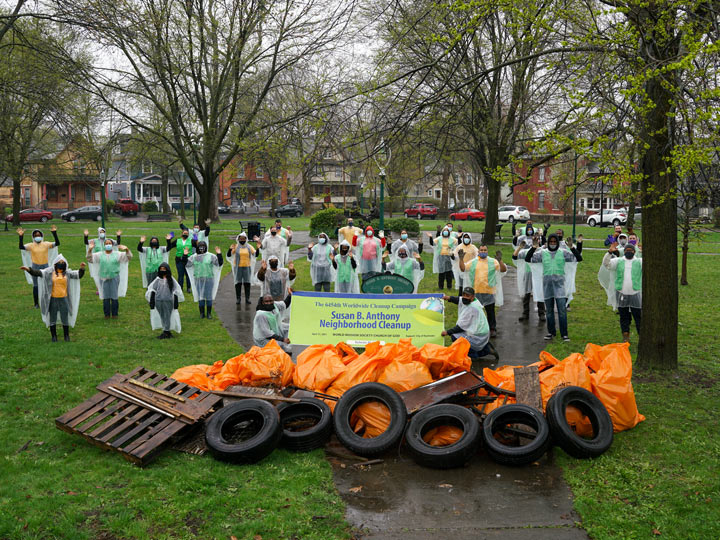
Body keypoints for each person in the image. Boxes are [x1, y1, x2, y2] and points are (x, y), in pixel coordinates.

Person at [525, 234, 582, 341]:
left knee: (562, 310)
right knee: (549, 311)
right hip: (547, 286)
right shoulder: (543, 253)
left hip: (560, 286)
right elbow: (528, 259)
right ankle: (551, 332)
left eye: (554, 242)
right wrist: (533, 247)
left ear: (557, 242)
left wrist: (572, 247)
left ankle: (564, 334)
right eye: (550, 242)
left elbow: (578, 258)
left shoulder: (563, 253)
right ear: (547, 243)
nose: (552, 244)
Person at [20, 254, 85, 342]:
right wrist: (29, 269)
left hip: (64, 298)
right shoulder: (49, 272)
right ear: (55, 264)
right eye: (59, 262)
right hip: (52, 299)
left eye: (63, 262)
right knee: (52, 317)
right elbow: (38, 273)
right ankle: (53, 336)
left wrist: (82, 269)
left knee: (64, 317)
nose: (61, 264)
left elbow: (78, 275)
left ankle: (66, 336)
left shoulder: (67, 273)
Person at [458, 244, 507, 338]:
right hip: (476, 292)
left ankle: (492, 329)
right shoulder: (473, 262)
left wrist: (500, 260)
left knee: (490, 312)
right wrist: (461, 259)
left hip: (489, 291)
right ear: (478, 251)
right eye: (481, 250)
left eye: (485, 250)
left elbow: (503, 270)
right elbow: (463, 269)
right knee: (476, 313)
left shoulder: (493, 262)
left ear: (487, 251)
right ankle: (476, 329)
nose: (483, 252)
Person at [441, 288, 499, 360]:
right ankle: (487, 349)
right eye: (464, 295)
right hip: (481, 331)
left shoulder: (472, 308)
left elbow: (460, 327)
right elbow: (459, 300)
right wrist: (448, 298)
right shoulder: (474, 301)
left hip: (478, 334)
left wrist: (447, 332)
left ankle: (472, 356)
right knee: (461, 336)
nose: (465, 297)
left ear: (472, 297)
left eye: (467, 295)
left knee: (455, 337)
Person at [601, 242, 642, 342]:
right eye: (627, 250)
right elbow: (606, 264)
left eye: (631, 251)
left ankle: (642, 337)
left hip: (635, 293)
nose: (629, 252)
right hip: (621, 293)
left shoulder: (639, 261)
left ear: (634, 252)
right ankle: (625, 336)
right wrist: (609, 252)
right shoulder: (618, 261)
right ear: (624, 252)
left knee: (639, 317)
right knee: (624, 317)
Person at [87, 239, 133, 318]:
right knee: (106, 296)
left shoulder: (117, 254)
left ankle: (115, 314)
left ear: (112, 245)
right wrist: (90, 249)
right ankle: (107, 314)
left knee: (114, 296)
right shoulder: (99, 255)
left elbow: (128, 258)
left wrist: (127, 249)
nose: (108, 245)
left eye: (109, 243)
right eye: (106, 243)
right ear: (104, 245)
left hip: (114, 277)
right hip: (103, 278)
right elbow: (90, 259)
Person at [18, 226, 60, 307]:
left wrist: (54, 233)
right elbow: (21, 247)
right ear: (33, 237)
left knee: (47, 284)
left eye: (39, 235)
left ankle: (48, 301)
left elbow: (57, 243)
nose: (37, 237)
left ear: (42, 236)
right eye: (36, 235)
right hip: (35, 266)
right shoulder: (31, 245)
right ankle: (36, 303)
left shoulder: (46, 244)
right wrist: (21, 236)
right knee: (36, 285)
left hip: (45, 266)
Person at [184, 241, 224, 319]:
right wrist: (185, 255)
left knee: (208, 296)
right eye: (200, 246)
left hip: (209, 279)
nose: (201, 248)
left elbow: (219, 263)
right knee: (200, 296)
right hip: (198, 279)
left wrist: (219, 254)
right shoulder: (194, 257)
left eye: (203, 246)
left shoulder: (211, 256)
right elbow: (187, 265)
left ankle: (209, 313)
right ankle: (202, 313)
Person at [146, 262, 184, 339]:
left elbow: (176, 290)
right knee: (162, 315)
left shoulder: (171, 280)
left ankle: (166, 331)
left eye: (164, 269)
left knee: (167, 315)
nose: (163, 271)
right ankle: (166, 330)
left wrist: (176, 302)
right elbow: (153, 290)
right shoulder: (157, 280)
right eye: (161, 269)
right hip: (159, 301)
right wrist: (152, 301)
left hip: (168, 301)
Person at [513, 234, 545, 322]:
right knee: (527, 293)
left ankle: (541, 313)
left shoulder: (543, 251)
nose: (535, 241)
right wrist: (519, 248)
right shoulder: (526, 251)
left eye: (537, 239)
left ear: (539, 240)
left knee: (539, 293)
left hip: (539, 275)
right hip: (528, 273)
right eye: (533, 239)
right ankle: (525, 313)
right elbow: (514, 256)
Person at [227, 232, 258, 305]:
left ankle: (247, 298)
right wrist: (229, 249)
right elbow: (229, 255)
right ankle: (238, 298)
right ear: (238, 239)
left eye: (243, 239)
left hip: (247, 266)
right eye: (240, 239)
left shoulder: (249, 247)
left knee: (247, 282)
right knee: (238, 282)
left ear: (246, 239)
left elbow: (255, 254)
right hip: (238, 267)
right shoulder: (236, 246)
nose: (242, 240)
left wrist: (258, 248)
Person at [167, 227, 195, 292]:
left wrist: (196, 237)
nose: (186, 234)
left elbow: (197, 245)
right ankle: (180, 288)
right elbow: (169, 247)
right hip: (179, 260)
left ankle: (188, 288)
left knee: (188, 274)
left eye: (187, 234)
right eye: (184, 233)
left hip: (188, 259)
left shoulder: (191, 241)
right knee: (180, 274)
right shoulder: (177, 241)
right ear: (181, 234)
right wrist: (168, 240)